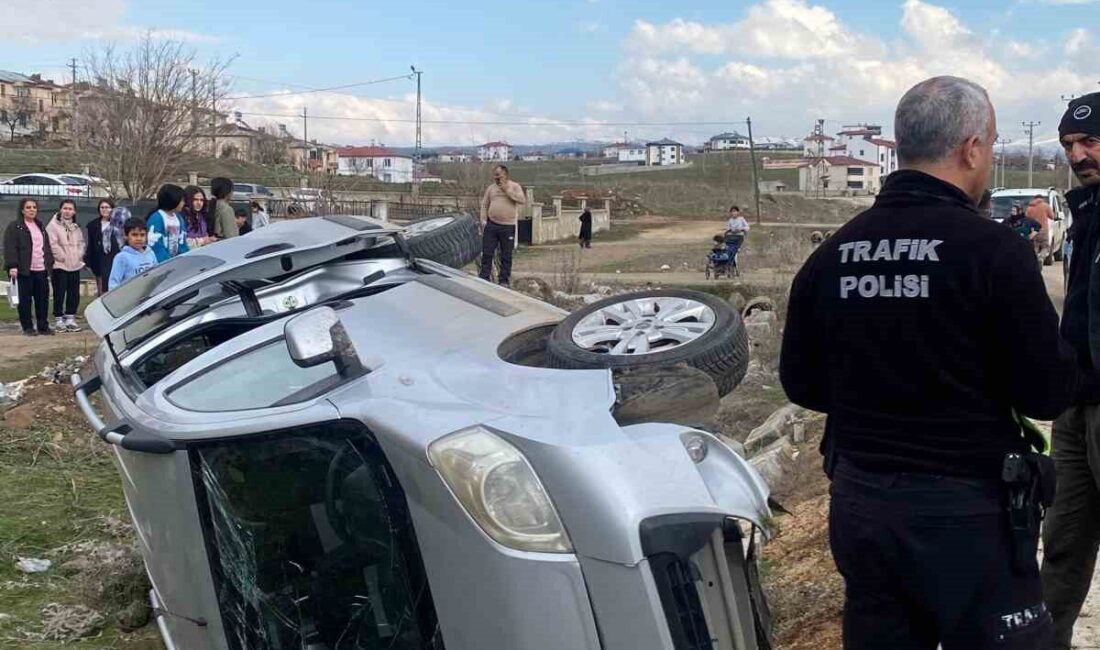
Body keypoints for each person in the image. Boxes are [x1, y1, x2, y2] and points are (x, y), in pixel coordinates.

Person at [780, 76, 1074, 649]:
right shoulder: (994, 251)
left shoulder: (834, 252)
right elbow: (1045, 393)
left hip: (861, 505)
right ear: (971, 148)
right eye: (989, 145)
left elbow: (801, 382)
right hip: (967, 514)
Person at [1041, 91, 1100, 650]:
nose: (1078, 155)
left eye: (1090, 141)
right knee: (1063, 541)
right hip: (1076, 406)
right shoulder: (1086, 213)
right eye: (1068, 146)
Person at [3, 198, 54, 336]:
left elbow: (46, 246)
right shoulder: (15, 227)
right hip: (24, 270)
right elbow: (10, 247)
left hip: (41, 269)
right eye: (28, 207)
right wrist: (12, 266)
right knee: (25, 300)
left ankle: (43, 326)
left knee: (42, 300)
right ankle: (27, 327)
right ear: (22, 210)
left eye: (34, 207)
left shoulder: (40, 226)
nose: (32, 210)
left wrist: (49, 262)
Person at [479, 164, 525, 286]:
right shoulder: (491, 188)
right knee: (487, 252)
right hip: (492, 225)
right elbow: (484, 204)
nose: (496, 177)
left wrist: (507, 191)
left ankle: (504, 280)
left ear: (505, 174)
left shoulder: (514, 186)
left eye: (498, 175)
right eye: (495, 175)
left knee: (506, 254)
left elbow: (522, 200)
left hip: (508, 226)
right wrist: (483, 220)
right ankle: (484, 277)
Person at [45, 199, 86, 333]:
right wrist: (62, 257)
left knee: (73, 293)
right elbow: (53, 244)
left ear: (74, 211)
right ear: (60, 210)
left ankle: (70, 318)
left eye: (70, 209)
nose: (67, 211)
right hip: (60, 265)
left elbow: (81, 242)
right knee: (60, 292)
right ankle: (58, 318)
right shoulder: (52, 226)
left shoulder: (76, 226)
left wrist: (79, 255)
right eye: (65, 208)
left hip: (75, 264)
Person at [109, 217, 158, 290]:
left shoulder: (151, 253)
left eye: (142, 235)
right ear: (126, 236)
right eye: (134, 235)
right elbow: (113, 284)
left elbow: (157, 275)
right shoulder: (121, 257)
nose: (139, 238)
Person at [147, 184, 189, 262]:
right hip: (162, 263)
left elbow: (182, 242)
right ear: (173, 200)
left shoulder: (179, 218)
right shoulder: (157, 218)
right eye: (182, 200)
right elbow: (156, 245)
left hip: (177, 261)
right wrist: (167, 261)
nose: (183, 203)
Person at [84, 198, 118, 295]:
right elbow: (91, 244)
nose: (104, 209)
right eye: (102, 207)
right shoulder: (93, 225)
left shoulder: (119, 224)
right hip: (99, 261)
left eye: (107, 207)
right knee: (102, 289)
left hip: (114, 259)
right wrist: (88, 260)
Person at [1026, 195, 1055, 260]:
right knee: (1045, 246)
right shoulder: (1045, 206)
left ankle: (1035, 259)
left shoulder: (1029, 208)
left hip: (1033, 231)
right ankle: (1041, 258)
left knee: (1035, 246)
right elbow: (1052, 216)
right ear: (1042, 199)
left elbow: (1026, 219)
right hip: (1043, 229)